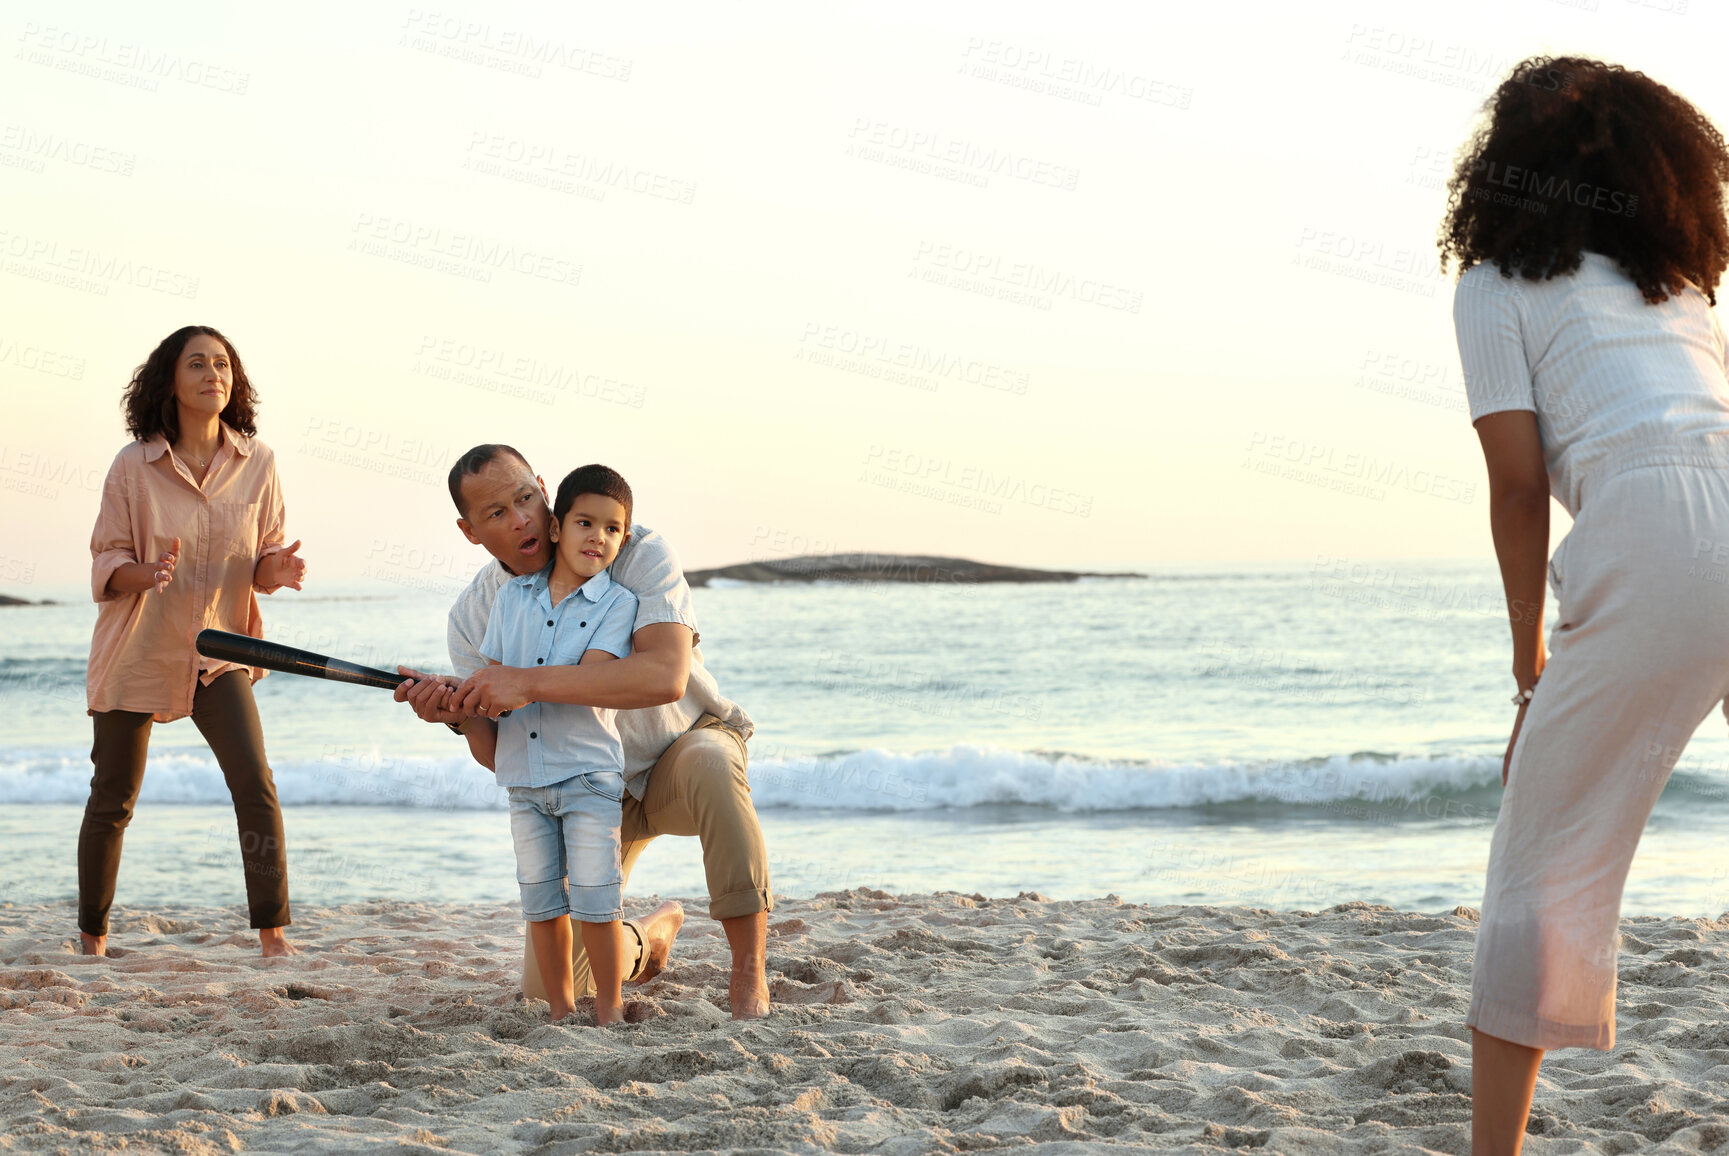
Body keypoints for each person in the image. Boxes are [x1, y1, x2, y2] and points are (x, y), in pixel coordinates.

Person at [1443, 56, 1729, 1154]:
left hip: (1652, 522)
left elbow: (1518, 490)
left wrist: (1529, 669)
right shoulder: (1680, 287)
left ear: (1501, 169)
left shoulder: (1493, 286)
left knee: (1536, 860)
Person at [395, 444, 772, 1018]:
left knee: (715, 764)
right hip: (583, 791)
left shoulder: (632, 549)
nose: (521, 518)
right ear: (469, 530)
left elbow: (664, 676)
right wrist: (461, 714)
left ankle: (748, 975)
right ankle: (649, 938)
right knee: (551, 992)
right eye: (495, 513)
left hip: (676, 755)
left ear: (544, 487)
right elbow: (504, 758)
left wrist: (527, 683)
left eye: (525, 497)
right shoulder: (473, 618)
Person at [83, 325, 309, 958]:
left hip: (219, 649)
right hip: (138, 646)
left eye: (223, 364)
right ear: (171, 381)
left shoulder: (258, 461)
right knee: (114, 796)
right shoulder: (134, 466)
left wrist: (276, 571)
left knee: (255, 784)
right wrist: (145, 574)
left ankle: (272, 934)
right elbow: (107, 560)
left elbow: (262, 555)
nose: (214, 373)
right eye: (198, 364)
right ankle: (91, 938)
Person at [463, 464, 640, 1024]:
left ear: (624, 540)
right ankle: (562, 1013)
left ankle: (610, 1009)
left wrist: (514, 686)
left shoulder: (618, 606)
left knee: (597, 903)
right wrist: (455, 699)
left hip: (588, 777)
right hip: (524, 781)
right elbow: (492, 683)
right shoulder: (510, 599)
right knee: (540, 904)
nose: (598, 537)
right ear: (558, 527)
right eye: (585, 523)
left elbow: (586, 678)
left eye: (612, 530)